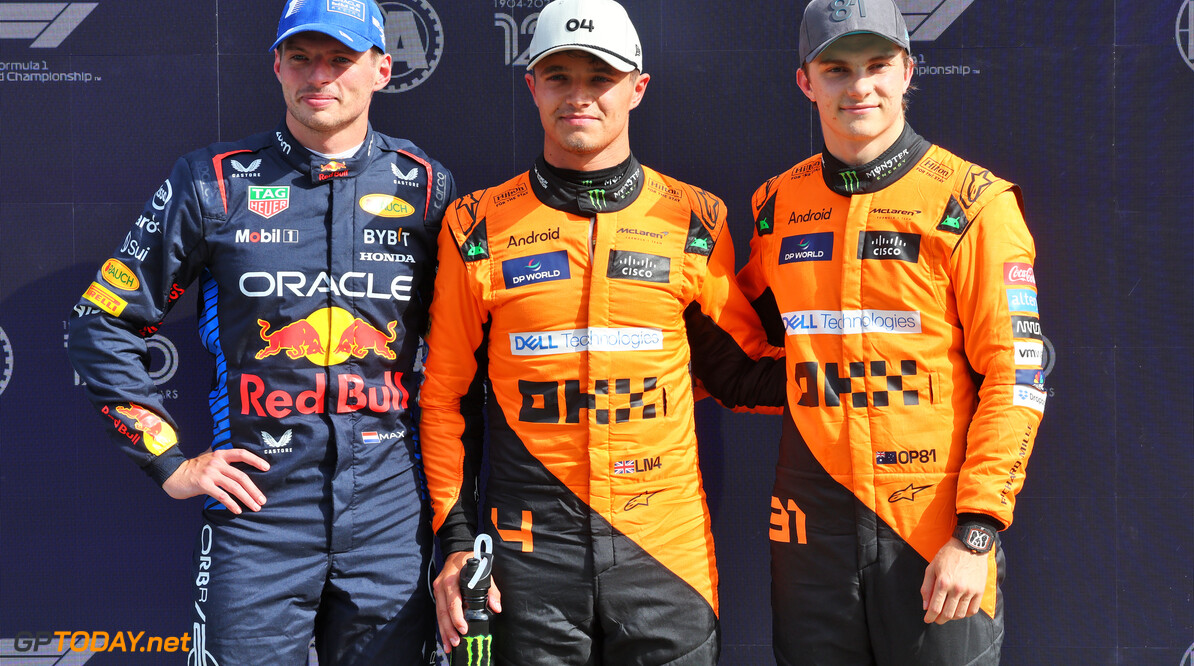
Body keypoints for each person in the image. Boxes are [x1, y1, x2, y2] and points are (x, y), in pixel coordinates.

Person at [66, 2, 459, 663]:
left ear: (382, 69)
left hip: (393, 524)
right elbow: (100, 322)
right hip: (259, 519)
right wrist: (168, 459)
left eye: (341, 59)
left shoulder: (426, 188)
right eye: (302, 57)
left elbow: (464, 353)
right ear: (276, 65)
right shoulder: (212, 182)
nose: (320, 76)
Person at [418, 0, 783, 663]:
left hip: (664, 552)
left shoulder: (695, 218)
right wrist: (456, 543)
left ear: (637, 87)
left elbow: (739, 373)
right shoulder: (474, 226)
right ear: (532, 85)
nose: (579, 97)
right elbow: (446, 400)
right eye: (560, 77)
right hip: (527, 559)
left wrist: (879, 354)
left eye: (601, 78)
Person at [737, 1, 1047, 663]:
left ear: (908, 71)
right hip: (812, 537)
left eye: (878, 66)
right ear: (806, 81)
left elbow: (1016, 376)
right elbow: (740, 347)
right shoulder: (776, 207)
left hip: (934, 536)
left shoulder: (973, 202)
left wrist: (977, 532)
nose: (860, 88)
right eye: (837, 70)